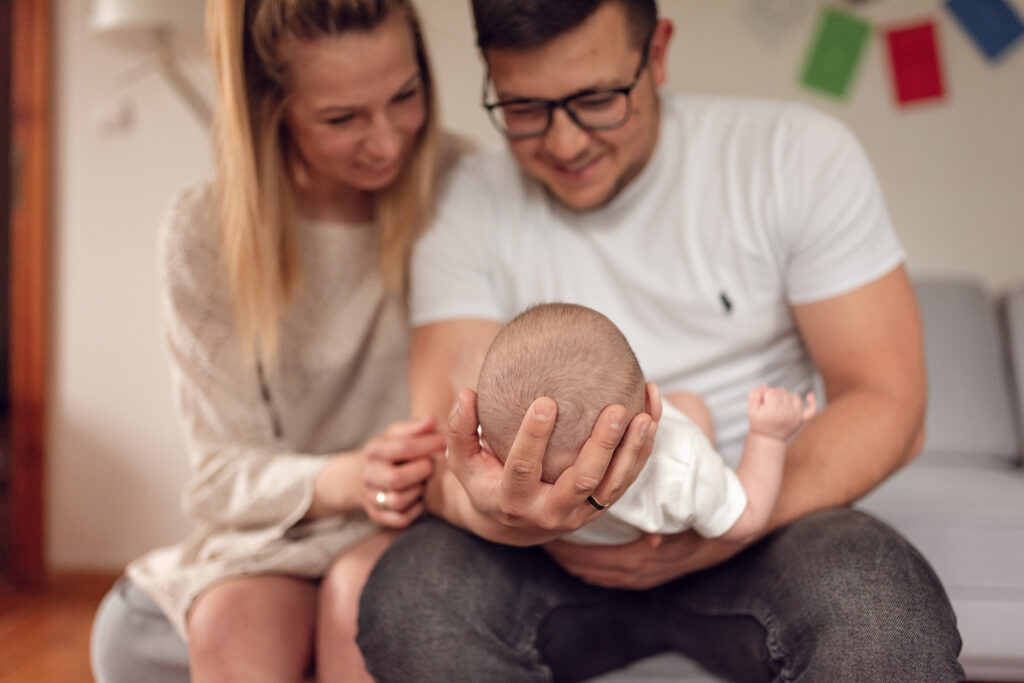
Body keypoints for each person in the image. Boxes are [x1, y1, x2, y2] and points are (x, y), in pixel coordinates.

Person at [356, 1, 965, 681]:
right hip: (544, 553)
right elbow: (444, 441)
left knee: (881, 610)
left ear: (659, 53)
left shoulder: (794, 156)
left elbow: (889, 401)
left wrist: (723, 516)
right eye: (524, 108)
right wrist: (504, 512)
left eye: (597, 98)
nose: (564, 143)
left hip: (760, 526)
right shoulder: (463, 202)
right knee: (410, 602)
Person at [90, 1, 454, 681]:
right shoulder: (203, 231)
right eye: (342, 118)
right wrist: (351, 476)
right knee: (229, 619)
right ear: (272, 112)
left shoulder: (462, 184)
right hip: (284, 527)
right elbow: (220, 473)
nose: (387, 141)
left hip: (421, 521)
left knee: (364, 601)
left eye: (405, 95)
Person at [476, 302, 817, 546]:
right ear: (653, 406)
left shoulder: (496, 454)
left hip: (589, 542)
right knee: (692, 406)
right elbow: (748, 519)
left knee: (689, 407)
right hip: (665, 505)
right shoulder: (680, 466)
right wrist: (768, 435)